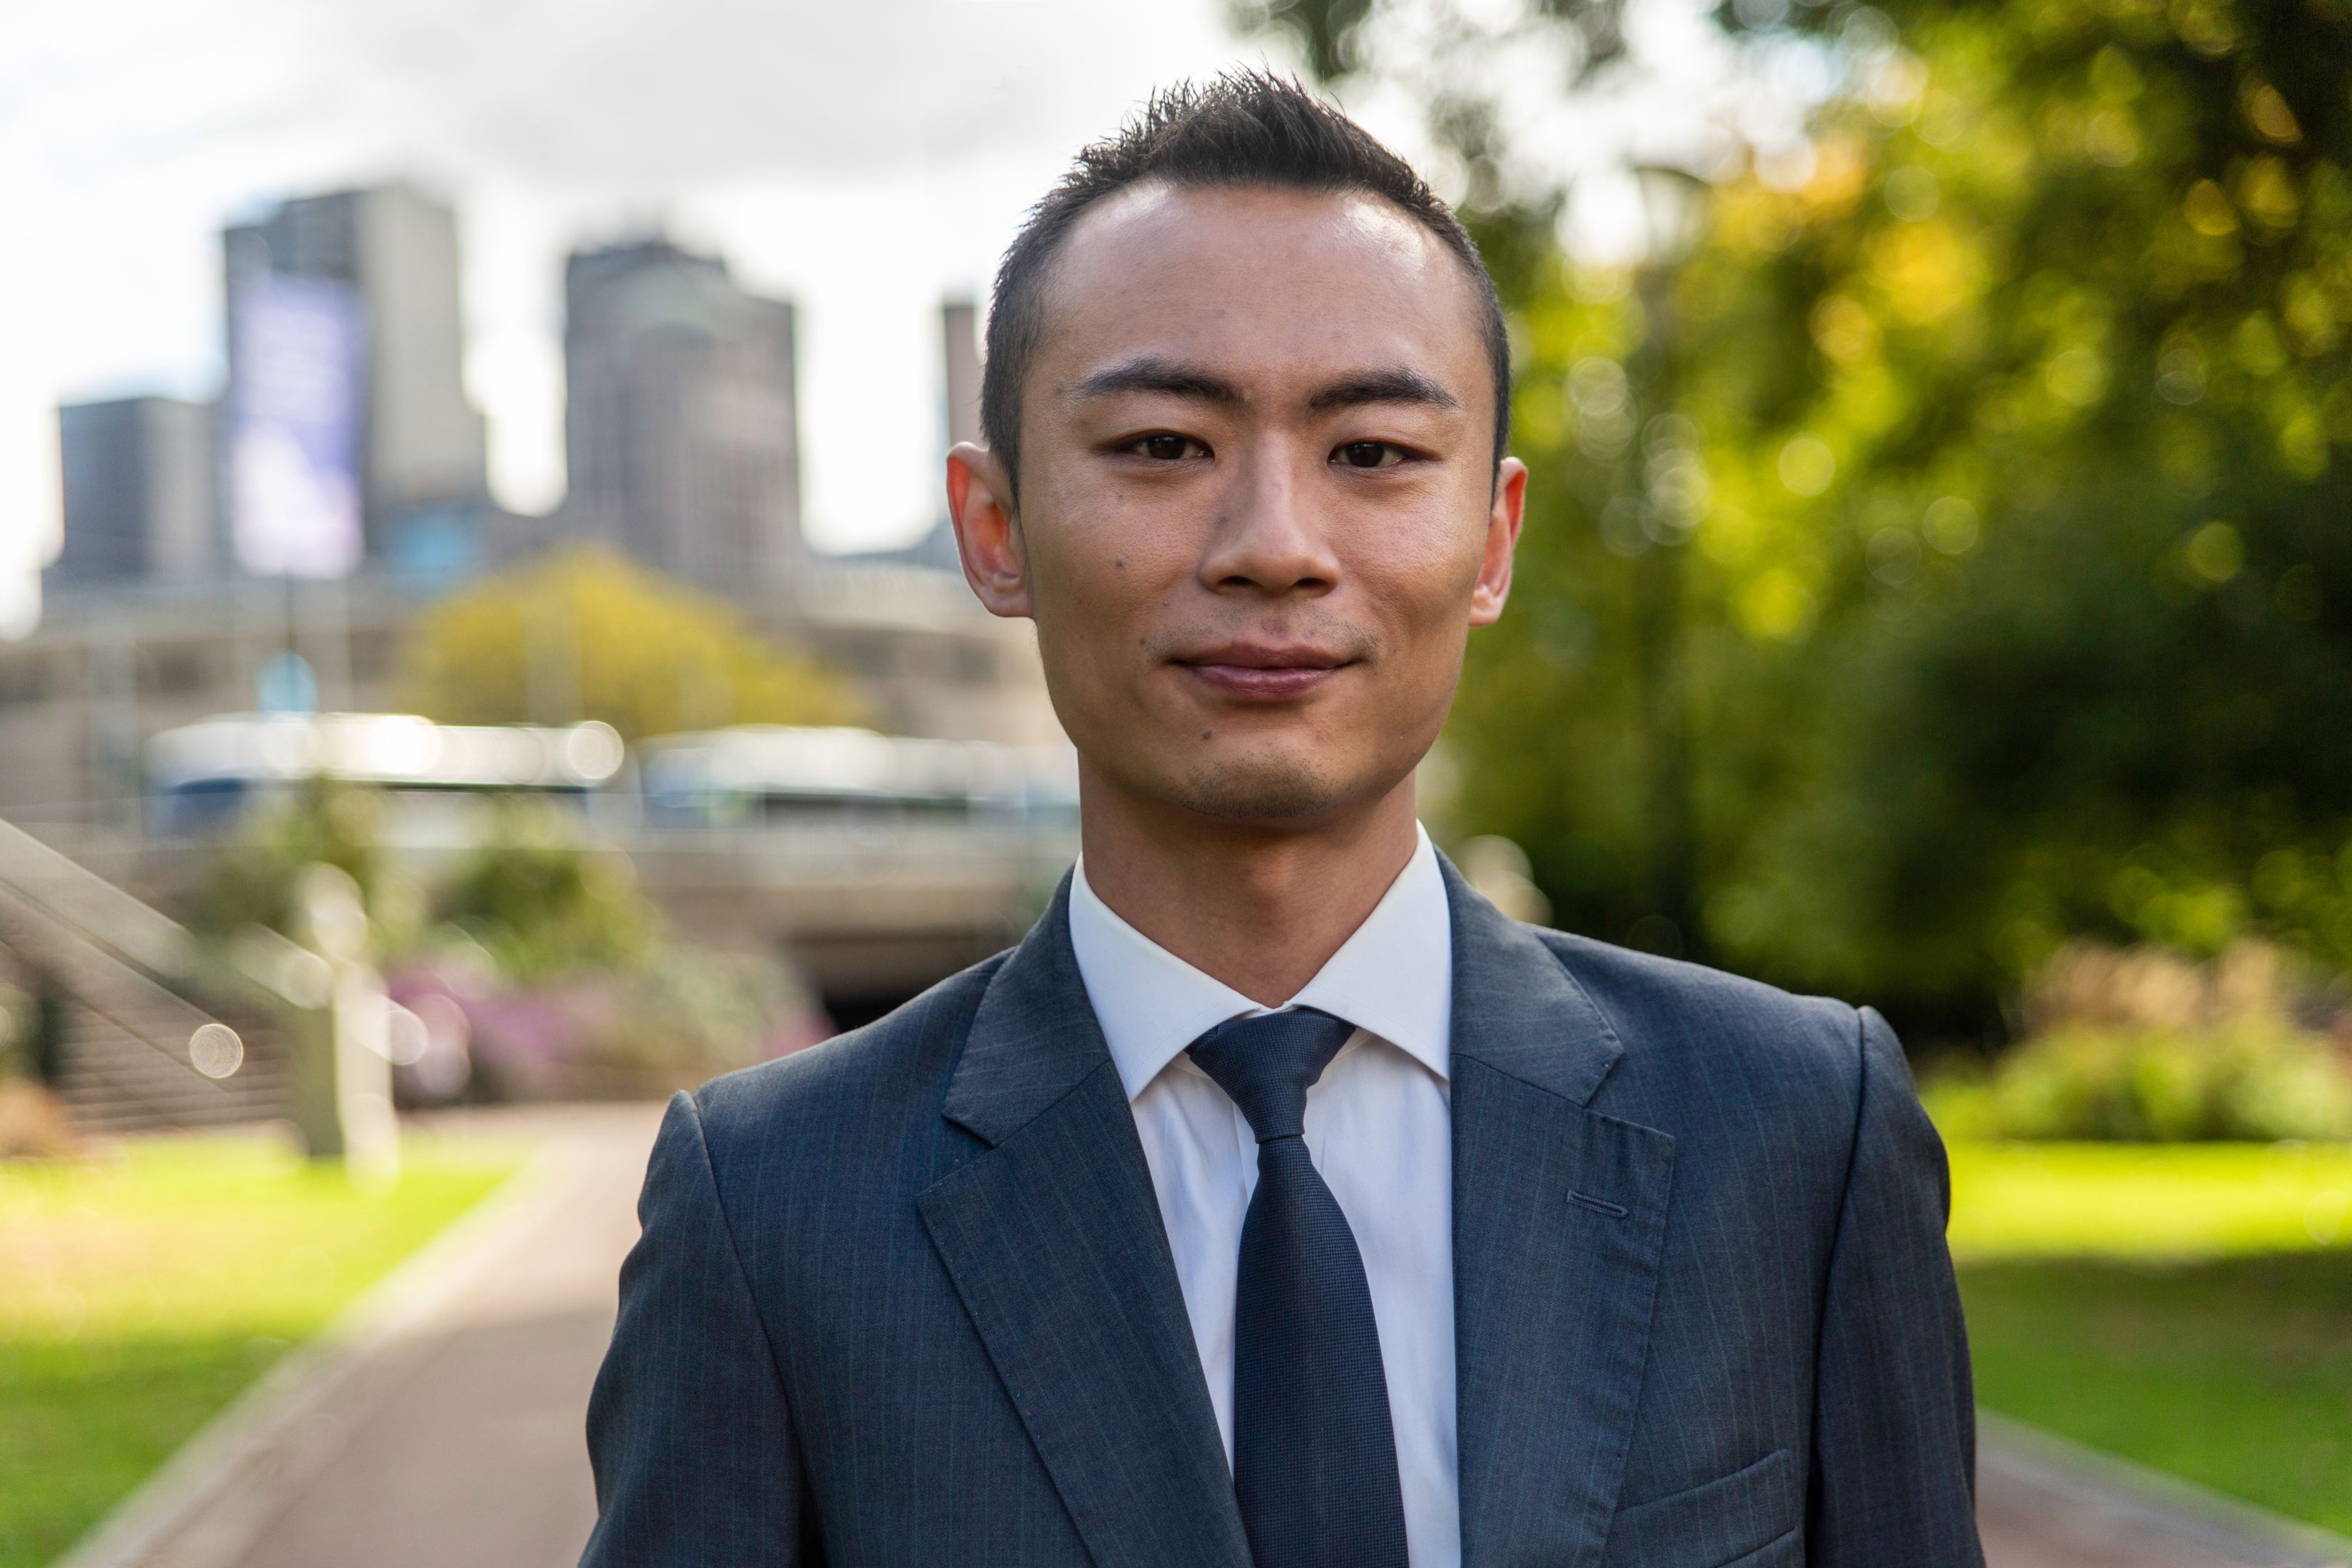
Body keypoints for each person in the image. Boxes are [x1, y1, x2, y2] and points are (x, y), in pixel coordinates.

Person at [581, 73, 1983, 1568]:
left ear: (1493, 538)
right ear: (994, 532)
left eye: (1373, 453)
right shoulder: (773, 1207)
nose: (1274, 547)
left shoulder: (1790, 1132)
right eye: (1162, 448)